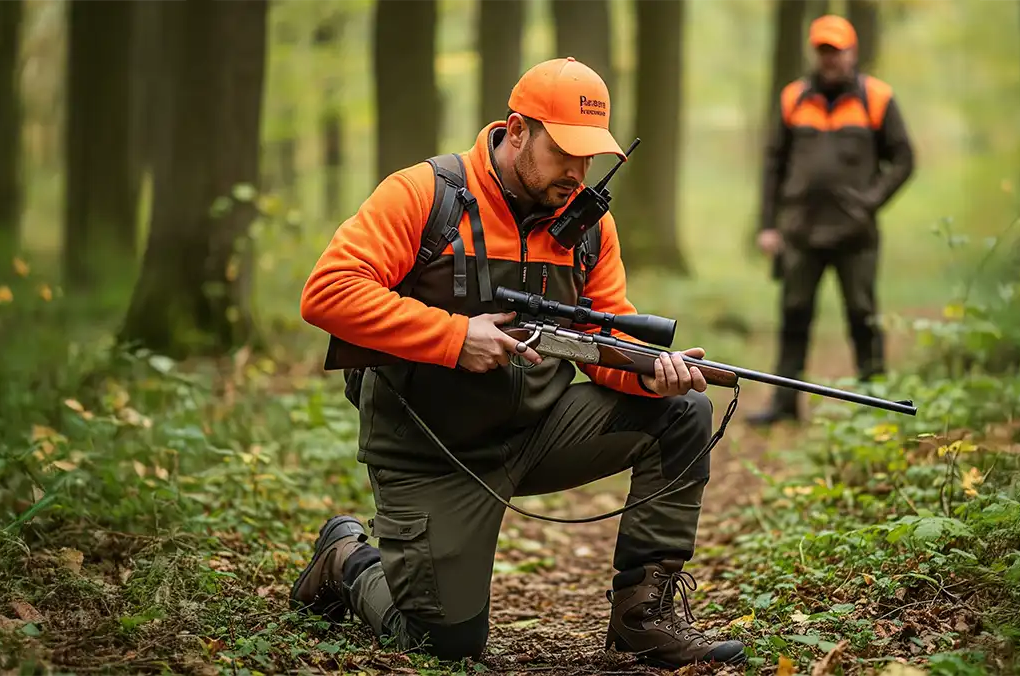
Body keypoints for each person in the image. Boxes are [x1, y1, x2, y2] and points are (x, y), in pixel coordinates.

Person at [291, 56, 746, 669]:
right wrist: (453, 337)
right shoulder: (424, 196)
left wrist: (647, 367)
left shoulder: (589, 226)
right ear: (518, 129)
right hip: (433, 450)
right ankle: (349, 559)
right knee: (442, 644)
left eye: (590, 157)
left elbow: (600, 336)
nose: (578, 173)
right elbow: (328, 292)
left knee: (682, 408)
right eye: (564, 152)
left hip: (539, 431)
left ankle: (644, 620)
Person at [748, 14, 915, 426]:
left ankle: (877, 405)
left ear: (852, 52)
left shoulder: (876, 98)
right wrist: (769, 224)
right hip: (800, 232)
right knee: (794, 315)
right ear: (815, 52)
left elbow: (904, 159)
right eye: (822, 50)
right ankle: (784, 406)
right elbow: (773, 163)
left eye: (836, 51)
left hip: (855, 234)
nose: (829, 59)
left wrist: (870, 201)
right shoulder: (793, 98)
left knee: (863, 315)